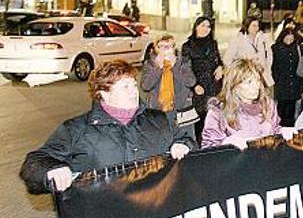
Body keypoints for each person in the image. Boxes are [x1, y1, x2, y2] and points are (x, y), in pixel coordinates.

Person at [20, 61, 195, 194]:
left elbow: (188, 142)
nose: (134, 91)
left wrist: (183, 144)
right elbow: (35, 163)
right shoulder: (76, 130)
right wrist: (52, 170)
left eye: (134, 84)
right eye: (125, 87)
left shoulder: (159, 120)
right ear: (104, 93)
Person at [201, 59, 281, 149]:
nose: (256, 86)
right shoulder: (218, 111)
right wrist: (226, 144)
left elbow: (274, 131)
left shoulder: (268, 105)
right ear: (235, 87)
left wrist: (283, 133)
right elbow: (208, 148)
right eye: (249, 82)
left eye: (258, 80)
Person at [181, 17, 223, 144]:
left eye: (208, 26)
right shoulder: (187, 46)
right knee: (199, 120)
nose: (206, 29)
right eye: (203, 25)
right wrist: (194, 85)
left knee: (213, 117)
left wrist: (220, 67)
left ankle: (212, 145)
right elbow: (185, 70)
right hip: (197, 88)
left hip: (213, 85)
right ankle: (198, 147)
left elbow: (218, 60)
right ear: (196, 26)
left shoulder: (213, 43)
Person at [140, 35, 198, 124]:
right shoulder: (150, 63)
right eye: (161, 47)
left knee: (184, 136)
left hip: (181, 108)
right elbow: (146, 86)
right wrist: (158, 68)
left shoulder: (183, 61)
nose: (165, 50)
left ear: (174, 48)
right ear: (156, 48)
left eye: (168, 46)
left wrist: (175, 67)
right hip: (158, 109)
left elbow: (191, 82)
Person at [224, 17, 274, 87]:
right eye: (253, 26)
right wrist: (238, 71)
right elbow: (227, 59)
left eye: (258, 25)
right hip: (245, 77)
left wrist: (268, 67)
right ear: (247, 26)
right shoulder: (238, 40)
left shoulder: (263, 38)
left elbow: (269, 54)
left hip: (262, 76)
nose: (256, 28)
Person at [272, 27, 303, 127]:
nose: (289, 41)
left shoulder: (297, 48)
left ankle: (289, 128)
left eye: (291, 39)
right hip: (282, 83)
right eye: (287, 39)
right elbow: (273, 66)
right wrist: (276, 78)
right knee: (281, 108)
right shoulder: (276, 48)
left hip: (294, 84)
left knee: (291, 109)